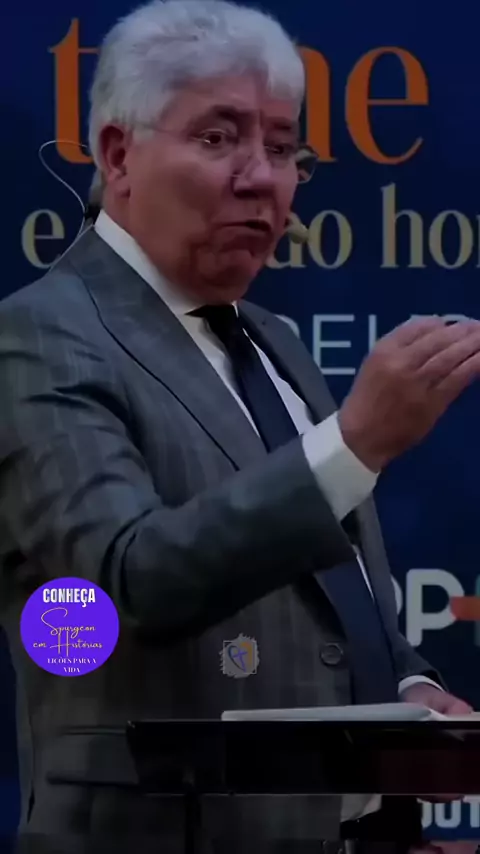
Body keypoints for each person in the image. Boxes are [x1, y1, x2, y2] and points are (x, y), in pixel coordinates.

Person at [0, 1, 478, 852]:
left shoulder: (277, 341)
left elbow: (329, 602)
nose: (262, 178)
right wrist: (355, 443)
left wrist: (405, 692)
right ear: (118, 155)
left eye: (284, 148)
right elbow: (125, 584)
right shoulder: (37, 336)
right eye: (218, 138)